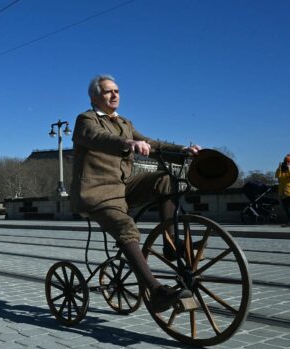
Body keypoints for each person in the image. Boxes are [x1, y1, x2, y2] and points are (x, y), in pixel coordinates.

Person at [69, 74, 201, 313]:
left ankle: (170, 244)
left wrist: (183, 150)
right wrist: (128, 144)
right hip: (96, 193)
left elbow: (151, 143)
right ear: (94, 97)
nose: (115, 95)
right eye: (109, 91)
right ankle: (156, 291)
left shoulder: (125, 123)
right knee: (127, 228)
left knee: (165, 181)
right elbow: (99, 138)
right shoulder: (85, 120)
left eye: (117, 91)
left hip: (123, 187)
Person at [275, 154, 290, 227]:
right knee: (286, 208)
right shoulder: (281, 169)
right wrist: (279, 168)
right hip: (283, 192)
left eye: (289, 162)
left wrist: (289, 169)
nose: (287, 163)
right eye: (286, 162)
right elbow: (277, 176)